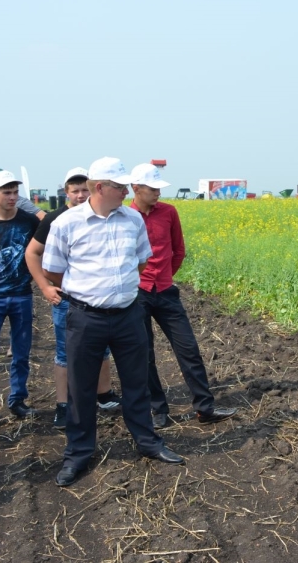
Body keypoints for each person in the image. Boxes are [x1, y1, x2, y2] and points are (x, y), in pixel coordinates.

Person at [42, 157, 184, 487]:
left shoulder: (132, 220)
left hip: (127, 314)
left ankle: (147, 442)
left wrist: (116, 291)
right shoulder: (67, 224)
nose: (126, 191)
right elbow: (52, 270)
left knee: (136, 382)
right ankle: (78, 453)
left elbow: (140, 260)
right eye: (120, 186)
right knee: (81, 387)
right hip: (85, 317)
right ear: (100, 187)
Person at [129, 163, 237, 429]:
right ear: (136, 188)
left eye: (158, 188)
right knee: (145, 354)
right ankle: (158, 410)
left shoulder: (169, 212)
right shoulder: (125, 216)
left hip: (166, 290)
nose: (157, 193)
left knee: (188, 348)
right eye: (152, 188)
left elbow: (178, 250)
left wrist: (166, 274)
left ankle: (205, 407)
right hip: (137, 294)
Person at [25, 168, 122, 431]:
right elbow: (32, 253)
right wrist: (45, 287)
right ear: (66, 192)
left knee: (103, 348)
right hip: (67, 299)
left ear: (93, 189)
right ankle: (63, 405)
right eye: (74, 190)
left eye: (84, 190)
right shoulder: (56, 219)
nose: (80, 195)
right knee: (64, 353)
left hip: (96, 301)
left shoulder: (105, 216)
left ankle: (104, 396)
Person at [0, 170, 40, 426]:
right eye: (7, 192)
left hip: (21, 295)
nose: (12, 197)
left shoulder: (30, 222)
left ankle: (17, 400)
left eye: (16, 192)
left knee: (21, 352)